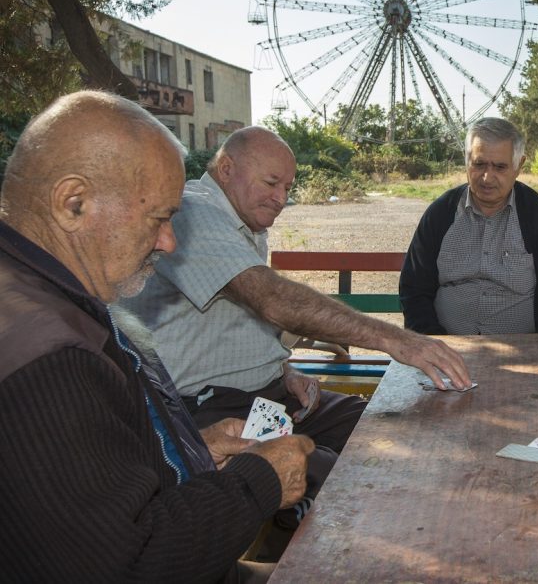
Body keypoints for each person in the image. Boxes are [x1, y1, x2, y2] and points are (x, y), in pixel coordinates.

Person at [0, 91, 314, 582]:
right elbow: (131, 564)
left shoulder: (40, 293)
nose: (169, 242)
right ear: (73, 203)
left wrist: (188, 450)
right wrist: (262, 482)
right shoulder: (49, 359)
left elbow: (80, 487)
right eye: (159, 218)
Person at [120, 125, 470, 528]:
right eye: (271, 183)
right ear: (228, 168)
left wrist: (284, 370)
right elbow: (271, 299)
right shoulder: (194, 214)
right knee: (345, 474)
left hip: (269, 395)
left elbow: (232, 319)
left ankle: (301, 513)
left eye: (288, 187)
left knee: (386, 428)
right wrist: (396, 340)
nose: (281, 199)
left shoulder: (245, 221)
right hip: (212, 407)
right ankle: (304, 529)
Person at [399, 117, 538, 335]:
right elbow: (413, 290)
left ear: (519, 165)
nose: (487, 177)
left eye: (500, 167)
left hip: (523, 354)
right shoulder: (440, 214)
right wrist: (435, 344)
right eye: (479, 164)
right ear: (466, 161)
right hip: (444, 352)